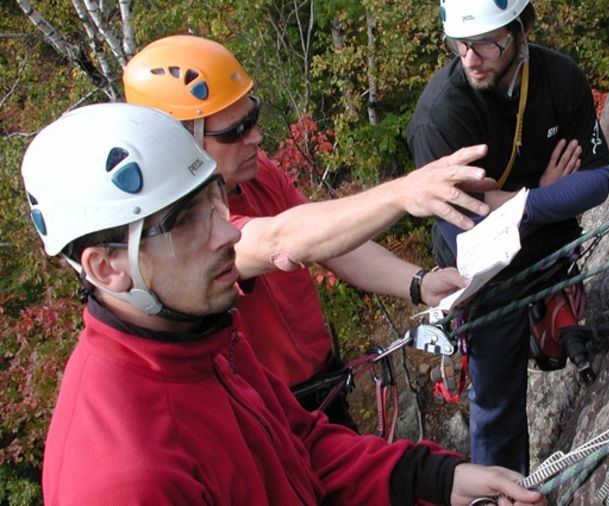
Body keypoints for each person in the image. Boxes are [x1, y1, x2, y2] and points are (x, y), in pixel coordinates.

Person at [24, 103, 544, 506]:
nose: (227, 231)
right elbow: (285, 237)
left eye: (215, 200)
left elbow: (300, 447)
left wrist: (437, 477)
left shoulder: (209, 342)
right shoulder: (123, 477)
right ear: (106, 267)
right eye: (184, 219)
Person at [122, 35, 498, 429]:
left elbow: (329, 244)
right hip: (267, 417)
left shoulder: (257, 173)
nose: (256, 136)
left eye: (253, 117)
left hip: (322, 384)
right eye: (235, 131)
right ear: (183, 144)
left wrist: (419, 283)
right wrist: (403, 193)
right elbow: (279, 240)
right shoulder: (181, 232)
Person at [407, 0, 609, 473]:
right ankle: (502, 494)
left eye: (486, 42)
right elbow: (465, 222)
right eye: (459, 43)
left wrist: (511, 203)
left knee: (560, 337)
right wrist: (540, 194)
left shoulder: (559, 78)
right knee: (497, 400)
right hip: (483, 272)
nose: (470, 57)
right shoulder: (441, 116)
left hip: (548, 249)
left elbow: (598, 179)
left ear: (522, 30)